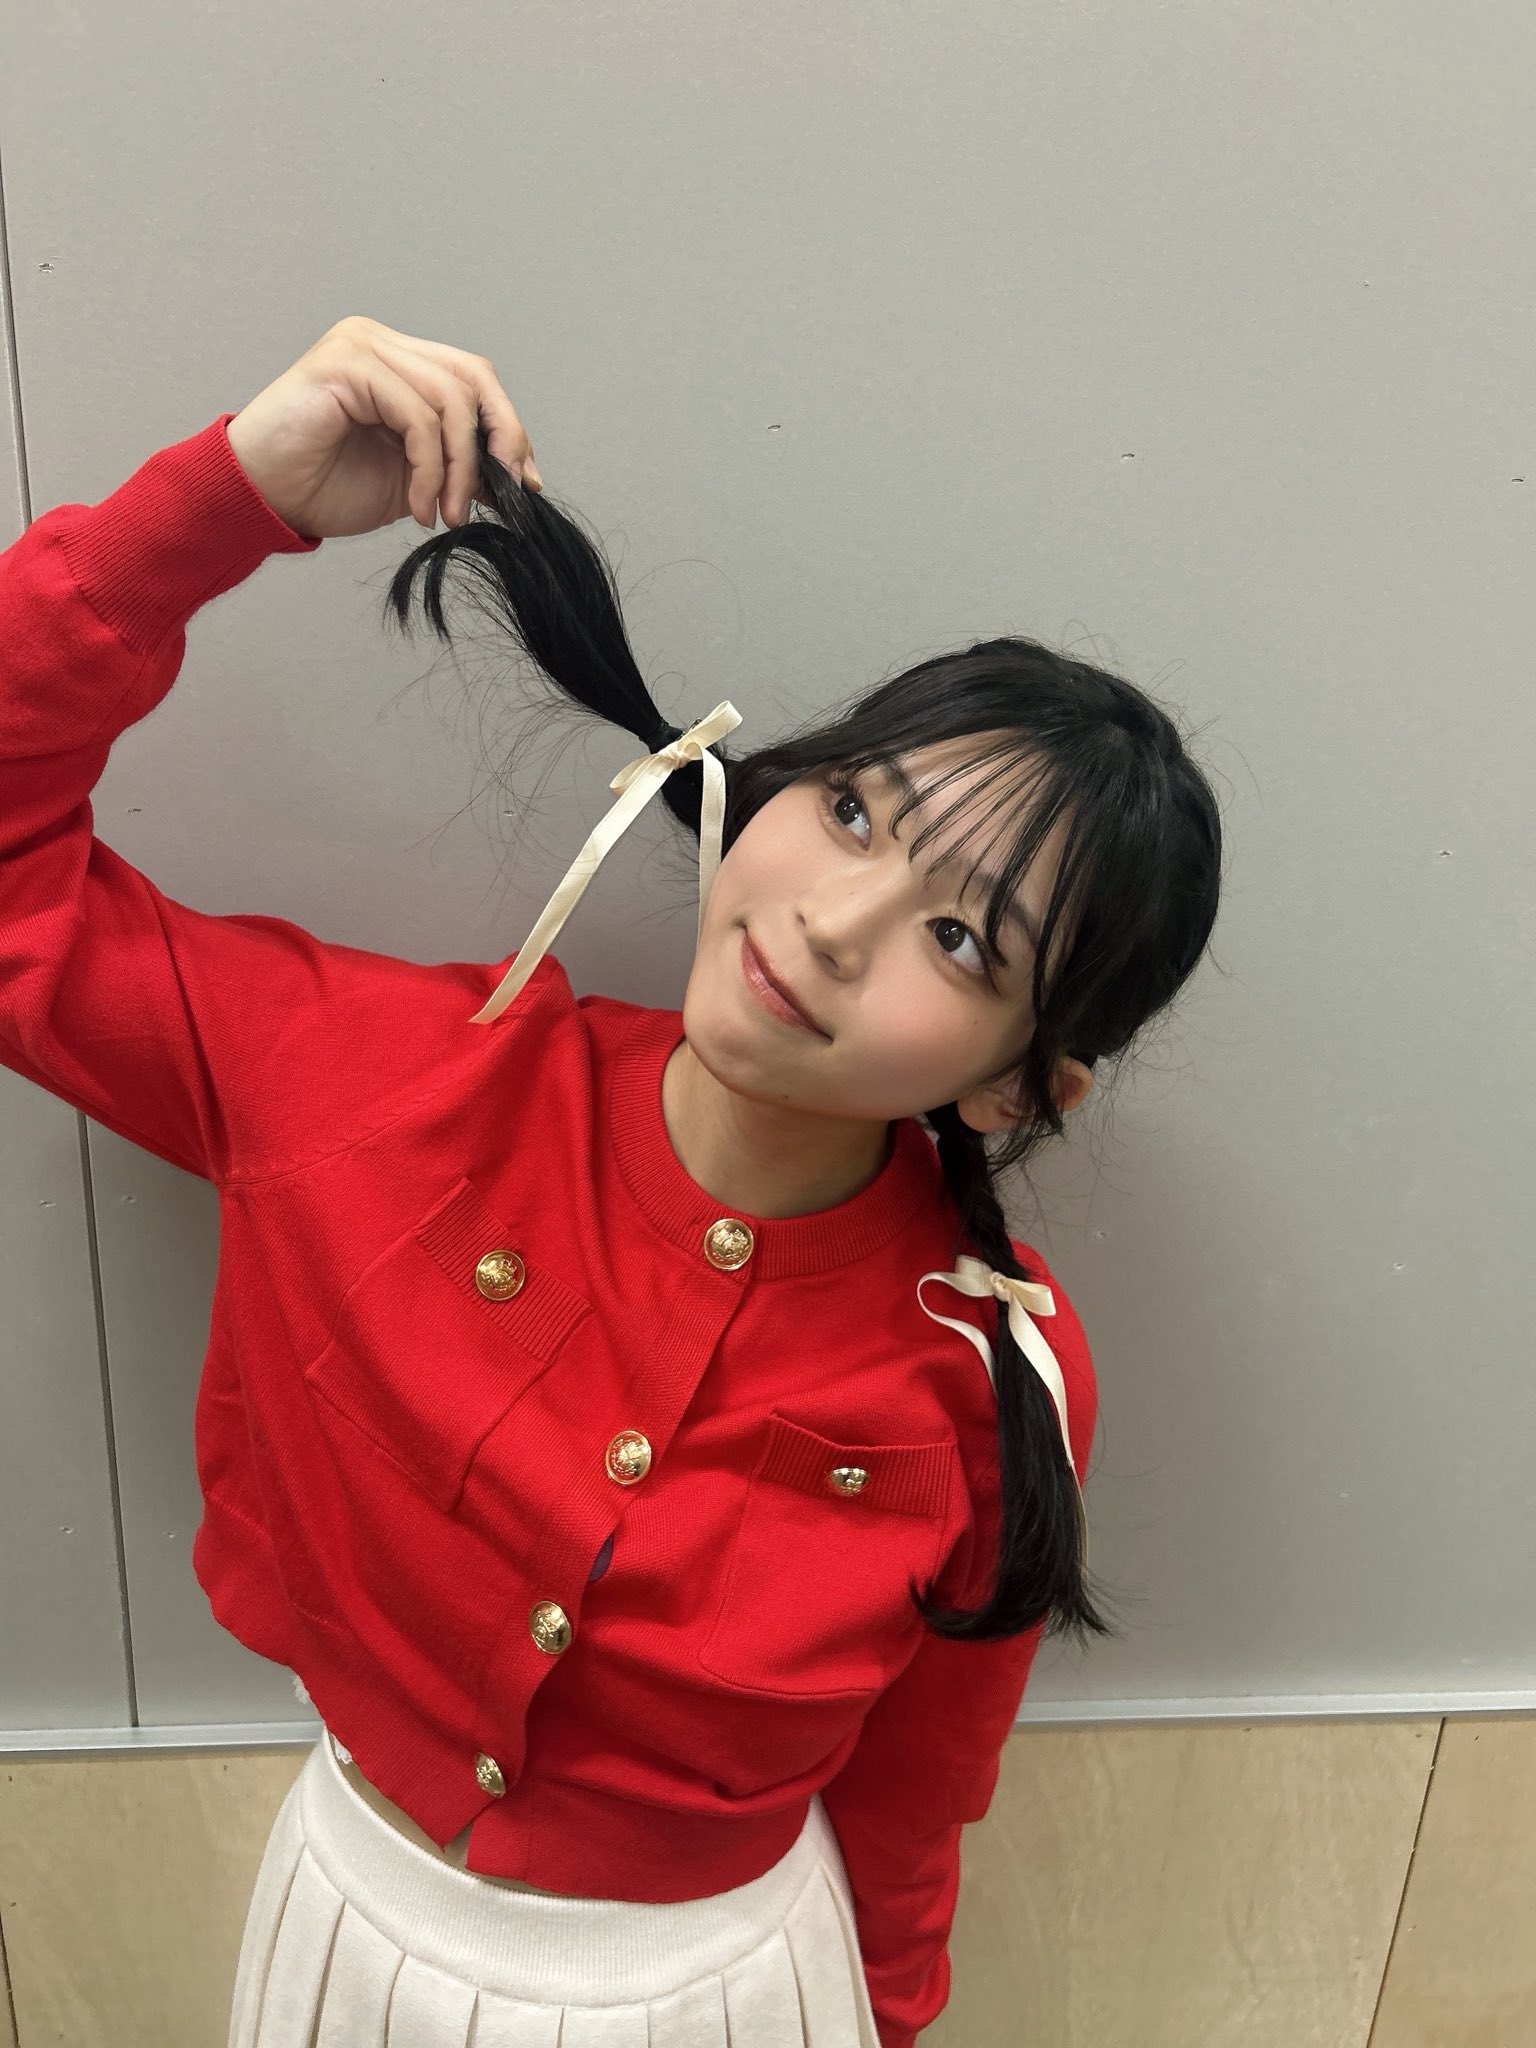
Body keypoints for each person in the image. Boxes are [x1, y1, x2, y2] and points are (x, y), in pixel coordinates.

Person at [0, 316, 1223, 2048]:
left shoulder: (996, 1368)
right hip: (347, 1937)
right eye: (855, 813)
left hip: (739, 1992)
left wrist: (887, 2019)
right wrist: (218, 503)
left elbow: (914, 1802)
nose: (834, 921)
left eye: (962, 939)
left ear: (1024, 1083)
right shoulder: (376, 1079)